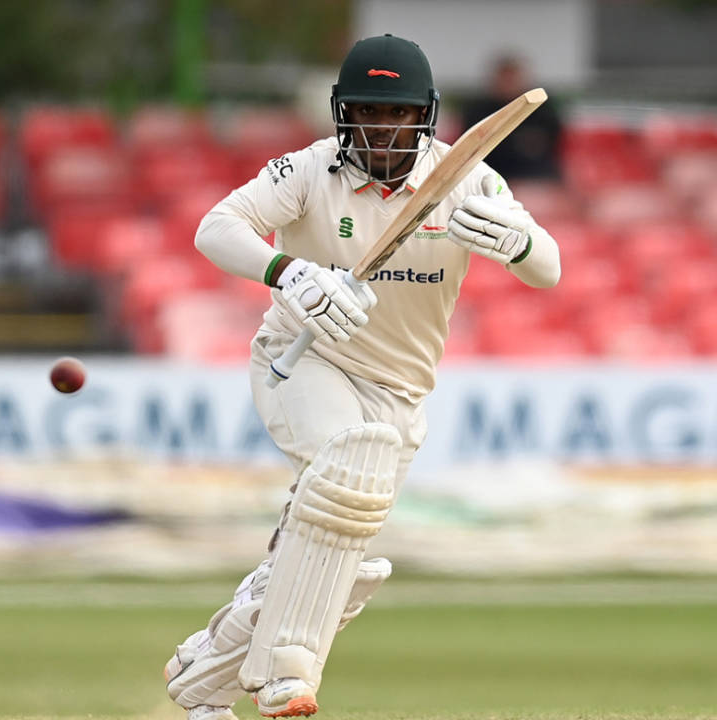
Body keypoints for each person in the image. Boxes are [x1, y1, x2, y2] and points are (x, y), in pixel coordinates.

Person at [162, 34, 561, 720]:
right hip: (306, 358)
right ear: (344, 114)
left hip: (400, 393)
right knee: (349, 469)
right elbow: (215, 227)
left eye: (397, 114)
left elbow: (549, 269)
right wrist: (289, 273)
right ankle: (287, 675)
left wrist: (516, 241)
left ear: (424, 117)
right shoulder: (308, 171)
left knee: (331, 544)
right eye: (368, 113)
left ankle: (205, 676)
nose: (382, 128)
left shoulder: (465, 177)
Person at [460, 53, 563, 181]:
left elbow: (553, 145)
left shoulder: (542, 110)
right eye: (505, 78)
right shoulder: (478, 112)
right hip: (490, 176)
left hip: (536, 177)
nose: (509, 83)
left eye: (513, 78)